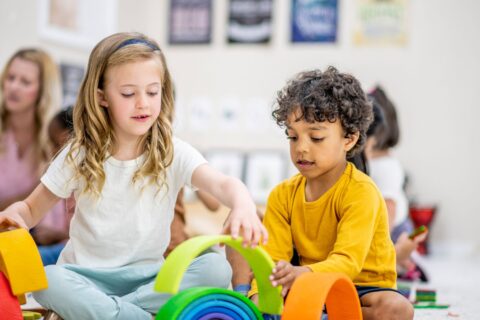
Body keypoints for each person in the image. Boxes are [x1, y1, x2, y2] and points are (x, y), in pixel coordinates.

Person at [0, 32, 267, 320]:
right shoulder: (79, 154)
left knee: (216, 268)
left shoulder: (172, 151)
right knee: (49, 280)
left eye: (153, 92)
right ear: (101, 97)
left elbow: (222, 183)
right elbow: (31, 208)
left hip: (149, 280)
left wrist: (243, 204)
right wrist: (17, 215)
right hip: (85, 277)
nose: (143, 103)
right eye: (129, 94)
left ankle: (113, 312)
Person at [249, 67, 413, 320]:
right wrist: (262, 296)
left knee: (396, 309)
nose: (301, 148)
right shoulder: (282, 195)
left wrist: (304, 276)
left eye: (316, 138)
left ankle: (322, 314)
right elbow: (273, 259)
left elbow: (348, 262)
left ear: (349, 139)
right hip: (309, 285)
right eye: (292, 137)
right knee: (245, 248)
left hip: (362, 287)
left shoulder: (362, 191)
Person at [365, 86, 427, 280]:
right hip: (382, 224)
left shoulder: (386, 166)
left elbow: (388, 207)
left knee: (392, 253)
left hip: (394, 228)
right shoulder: (372, 162)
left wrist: (381, 245)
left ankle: (404, 261)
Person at [0, 48, 61, 210]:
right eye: (10, 78)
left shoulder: (54, 139)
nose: (13, 87)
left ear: (42, 91)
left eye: (25, 82)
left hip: (28, 230)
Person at [32, 107, 75, 265]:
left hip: (68, 247)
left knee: (32, 258)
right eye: (51, 143)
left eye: (58, 144)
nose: (53, 151)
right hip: (45, 239)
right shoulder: (56, 174)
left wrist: (56, 234)